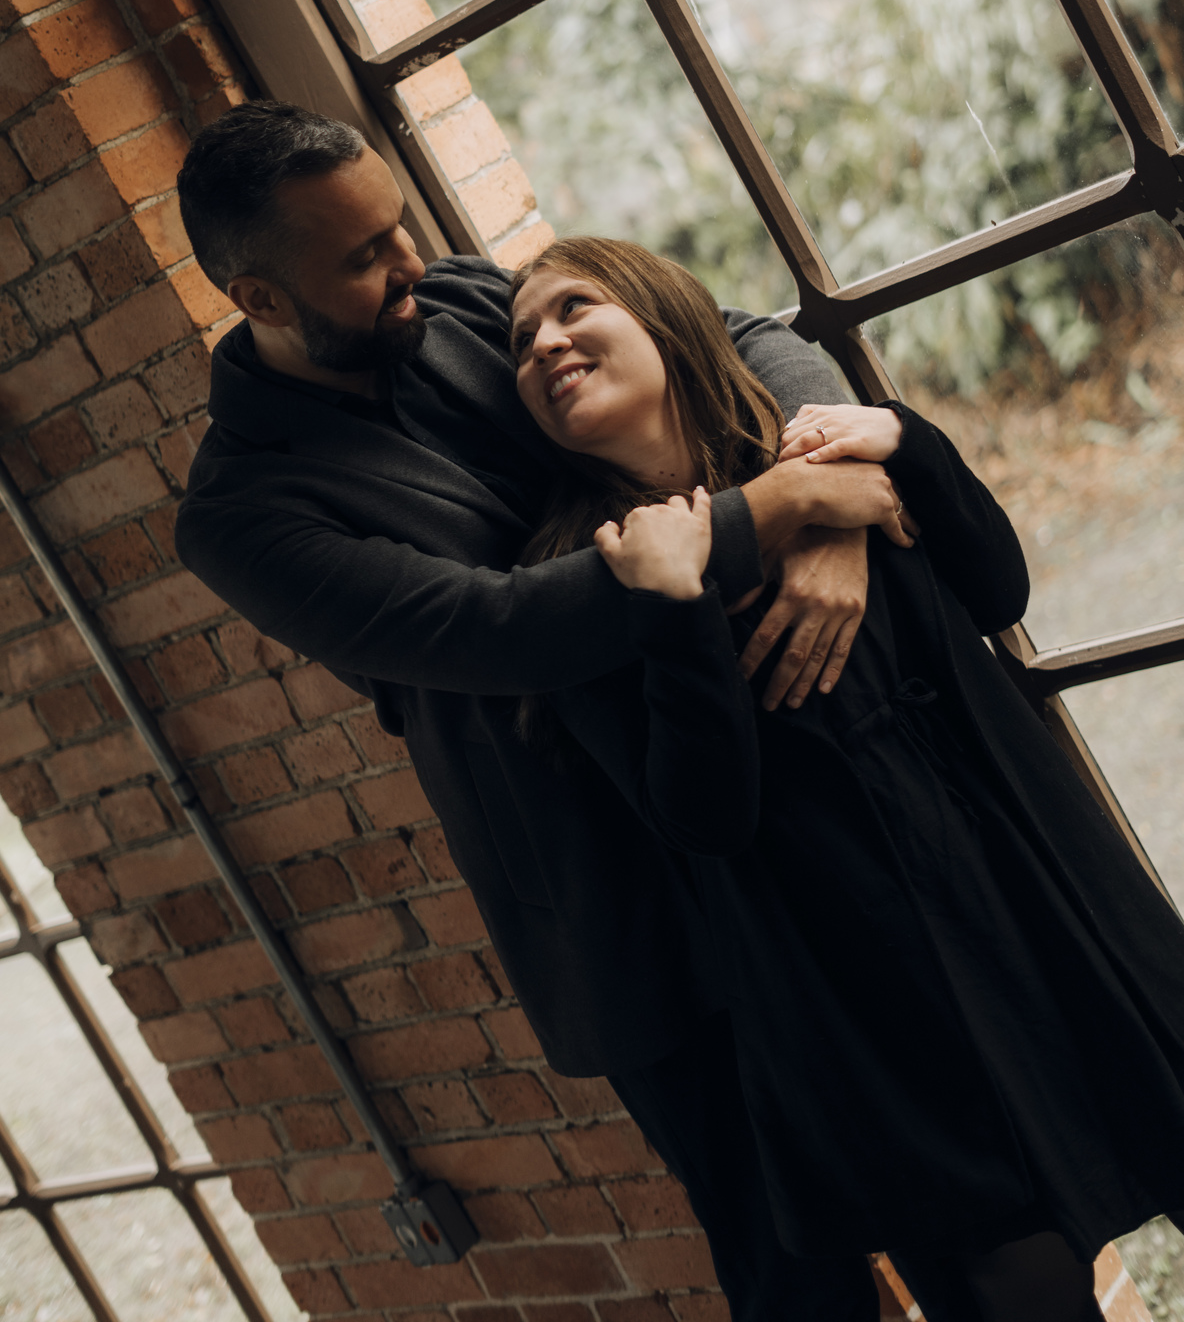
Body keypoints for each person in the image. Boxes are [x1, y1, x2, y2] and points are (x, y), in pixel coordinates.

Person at [174, 100, 909, 1321]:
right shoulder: (238, 518)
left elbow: (733, 337)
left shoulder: (465, 298)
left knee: (958, 1185)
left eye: (397, 226)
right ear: (257, 297)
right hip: (630, 910)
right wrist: (778, 514)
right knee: (800, 1282)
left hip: (792, 812)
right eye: (364, 257)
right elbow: (503, 630)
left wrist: (828, 480)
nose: (412, 262)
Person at [507, 234, 1184, 1322]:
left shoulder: (820, 454)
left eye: (573, 307)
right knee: (1013, 1278)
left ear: (661, 314)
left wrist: (902, 440)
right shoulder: (577, 576)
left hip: (1033, 882)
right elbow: (703, 816)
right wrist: (671, 609)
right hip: (864, 986)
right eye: (520, 341)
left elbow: (997, 587)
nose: (544, 343)